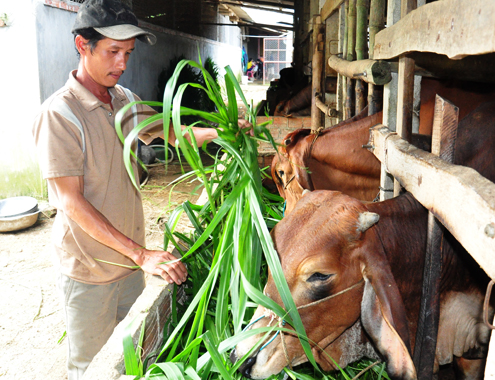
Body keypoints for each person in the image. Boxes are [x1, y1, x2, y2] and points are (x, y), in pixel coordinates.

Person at [31, 0, 249, 378]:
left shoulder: (124, 101)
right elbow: (70, 202)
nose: (122, 64)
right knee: (90, 367)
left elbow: (172, 133)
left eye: (128, 53)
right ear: (83, 46)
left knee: (132, 357)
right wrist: (141, 253)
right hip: (90, 272)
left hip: (129, 266)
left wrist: (220, 131)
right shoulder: (59, 115)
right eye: (113, 51)